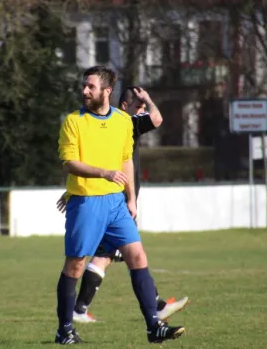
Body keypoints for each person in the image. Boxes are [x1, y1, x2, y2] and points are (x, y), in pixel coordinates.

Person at [55, 66, 185, 344]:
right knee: (75, 265)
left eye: (90, 86)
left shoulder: (123, 122)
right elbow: (68, 163)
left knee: (137, 257)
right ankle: (64, 329)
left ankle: (154, 326)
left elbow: (126, 160)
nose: (84, 91)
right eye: (84, 86)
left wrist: (131, 198)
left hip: (116, 204)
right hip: (86, 202)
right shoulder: (73, 121)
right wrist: (104, 173)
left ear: (107, 91)